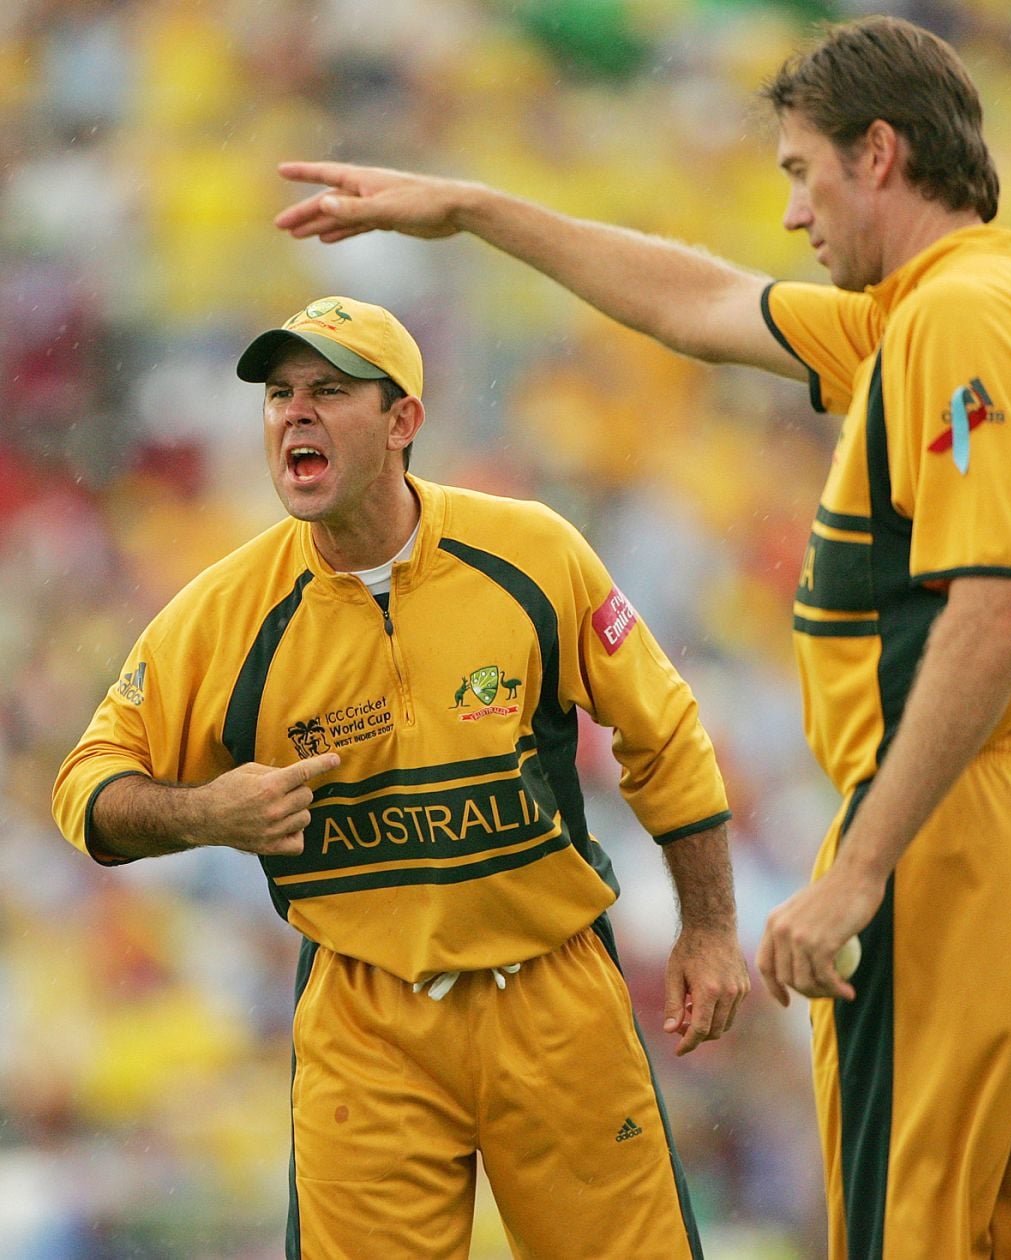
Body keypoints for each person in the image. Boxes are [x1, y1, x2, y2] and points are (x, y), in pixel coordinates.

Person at [268, 15, 1011, 1259]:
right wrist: (477, 210)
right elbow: (699, 302)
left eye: (802, 172)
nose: (795, 215)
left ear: (881, 154)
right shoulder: (985, 306)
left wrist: (860, 869)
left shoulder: (951, 319)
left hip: (977, 828)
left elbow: (998, 607)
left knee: (912, 1227)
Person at [52, 295, 749, 1259]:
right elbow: (86, 789)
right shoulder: (223, 613)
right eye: (280, 394)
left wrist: (709, 931)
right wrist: (207, 812)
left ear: (402, 421)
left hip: (553, 994)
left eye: (329, 391)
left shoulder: (532, 552)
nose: (294, 413)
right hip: (364, 1016)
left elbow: (665, 732)